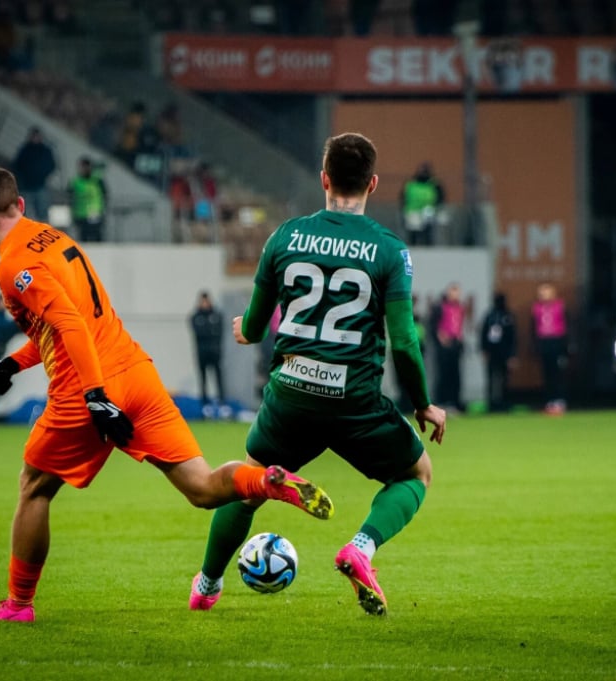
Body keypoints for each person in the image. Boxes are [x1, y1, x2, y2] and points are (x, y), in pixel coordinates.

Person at [0, 166, 333, 623]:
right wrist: (13, 363)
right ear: (20, 206)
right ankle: (267, 481)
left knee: (34, 488)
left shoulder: (12, 264)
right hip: (137, 372)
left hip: (86, 386)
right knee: (201, 487)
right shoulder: (53, 238)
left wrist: (97, 396)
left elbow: (72, 325)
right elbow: (67, 323)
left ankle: (18, 605)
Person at [187, 132, 447, 617]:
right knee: (416, 474)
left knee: (248, 482)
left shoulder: (284, 236)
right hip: (354, 401)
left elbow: (258, 319)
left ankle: (206, 585)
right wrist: (422, 404)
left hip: (290, 394)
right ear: (372, 183)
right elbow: (405, 342)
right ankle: (360, 550)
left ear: (324, 179)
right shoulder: (389, 250)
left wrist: (247, 328)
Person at [531, 282, 569, 415]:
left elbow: (566, 327)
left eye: (546, 292)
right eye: (541, 293)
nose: (543, 296)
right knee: (546, 374)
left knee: (557, 374)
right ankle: (549, 402)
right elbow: (534, 327)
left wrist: (565, 348)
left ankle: (560, 401)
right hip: (544, 342)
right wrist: (535, 346)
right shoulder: (537, 308)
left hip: (556, 342)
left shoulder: (560, 306)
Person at [479, 292, 517, 412]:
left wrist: (512, 355)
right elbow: (483, 334)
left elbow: (513, 337)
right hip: (492, 351)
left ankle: (504, 402)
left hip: (504, 352)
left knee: (504, 379)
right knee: (491, 378)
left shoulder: (508, 316)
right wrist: (484, 349)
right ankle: (492, 403)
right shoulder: (490, 316)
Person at [188, 290, 225, 408]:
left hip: (214, 352)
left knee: (218, 377)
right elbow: (200, 332)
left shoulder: (216, 315)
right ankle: (204, 403)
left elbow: (218, 332)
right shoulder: (196, 317)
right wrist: (209, 331)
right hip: (202, 352)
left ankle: (221, 401)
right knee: (203, 378)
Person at [11, 127, 56, 222]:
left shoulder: (45, 150)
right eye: (34, 136)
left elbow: (52, 165)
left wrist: (44, 175)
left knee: (42, 213)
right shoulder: (25, 150)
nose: (35, 138)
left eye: (37, 136)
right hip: (27, 186)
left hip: (40, 185)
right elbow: (17, 165)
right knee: (26, 213)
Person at [434, 282, 466, 412]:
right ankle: (442, 402)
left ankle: (454, 402)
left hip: (456, 344)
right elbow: (434, 325)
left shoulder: (460, 308)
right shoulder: (440, 307)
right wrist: (441, 337)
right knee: (443, 374)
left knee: (456, 375)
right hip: (444, 346)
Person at [399, 161, 445, 246]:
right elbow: (403, 197)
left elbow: (440, 197)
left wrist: (437, 208)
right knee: (414, 232)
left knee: (427, 230)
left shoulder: (434, 183)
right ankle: (414, 246)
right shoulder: (411, 183)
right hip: (413, 211)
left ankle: (427, 246)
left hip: (428, 210)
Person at [66, 156, 107, 242]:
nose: (84, 169)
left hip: (95, 213)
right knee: (83, 237)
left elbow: (105, 195)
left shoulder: (97, 180)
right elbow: (69, 196)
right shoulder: (75, 181)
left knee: (97, 236)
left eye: (86, 166)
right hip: (81, 214)